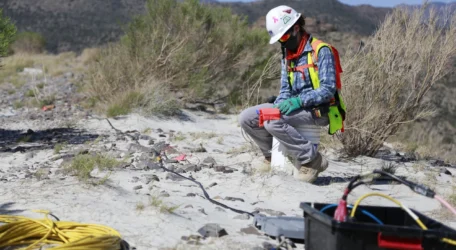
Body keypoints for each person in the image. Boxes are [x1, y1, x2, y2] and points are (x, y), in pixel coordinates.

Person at [239, 5, 346, 183]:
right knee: (247, 118)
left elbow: (328, 90)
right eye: (280, 39)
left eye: (285, 36)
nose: (283, 42)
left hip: (320, 110)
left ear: (296, 28)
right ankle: (270, 156)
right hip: (295, 107)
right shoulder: (287, 54)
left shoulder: (322, 51)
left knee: (272, 122)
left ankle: (312, 160)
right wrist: (279, 105)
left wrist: (299, 101)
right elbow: (285, 89)